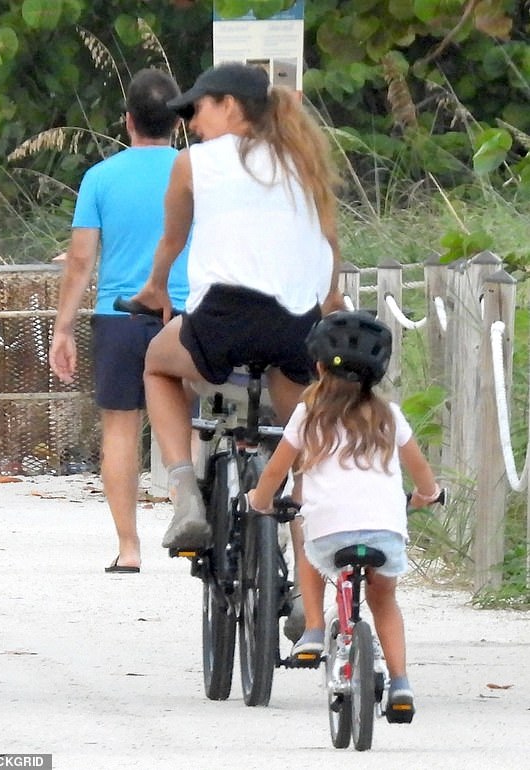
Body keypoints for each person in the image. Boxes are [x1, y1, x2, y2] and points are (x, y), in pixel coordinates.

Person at [131, 62, 344, 565]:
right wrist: (331, 301)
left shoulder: (194, 163)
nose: (192, 124)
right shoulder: (304, 161)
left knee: (157, 365)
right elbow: (330, 243)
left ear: (229, 104)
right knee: (302, 444)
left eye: (198, 110)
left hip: (221, 320)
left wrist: (155, 288)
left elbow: (172, 240)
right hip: (296, 324)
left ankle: (184, 492)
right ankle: (304, 589)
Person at [247, 310, 441, 722]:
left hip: (329, 530)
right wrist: (428, 495)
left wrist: (260, 501)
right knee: (384, 600)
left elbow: (276, 472)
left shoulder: (308, 413)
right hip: (386, 531)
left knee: (308, 540)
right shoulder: (389, 416)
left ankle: (314, 629)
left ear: (317, 366)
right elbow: (422, 473)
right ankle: (401, 682)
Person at [49, 69, 189, 574]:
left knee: (120, 430)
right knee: (197, 423)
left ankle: (129, 548)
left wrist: (63, 328)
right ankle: (194, 522)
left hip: (120, 316)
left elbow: (82, 260)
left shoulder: (100, 178)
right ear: (178, 122)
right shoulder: (195, 171)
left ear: (128, 121)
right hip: (185, 313)